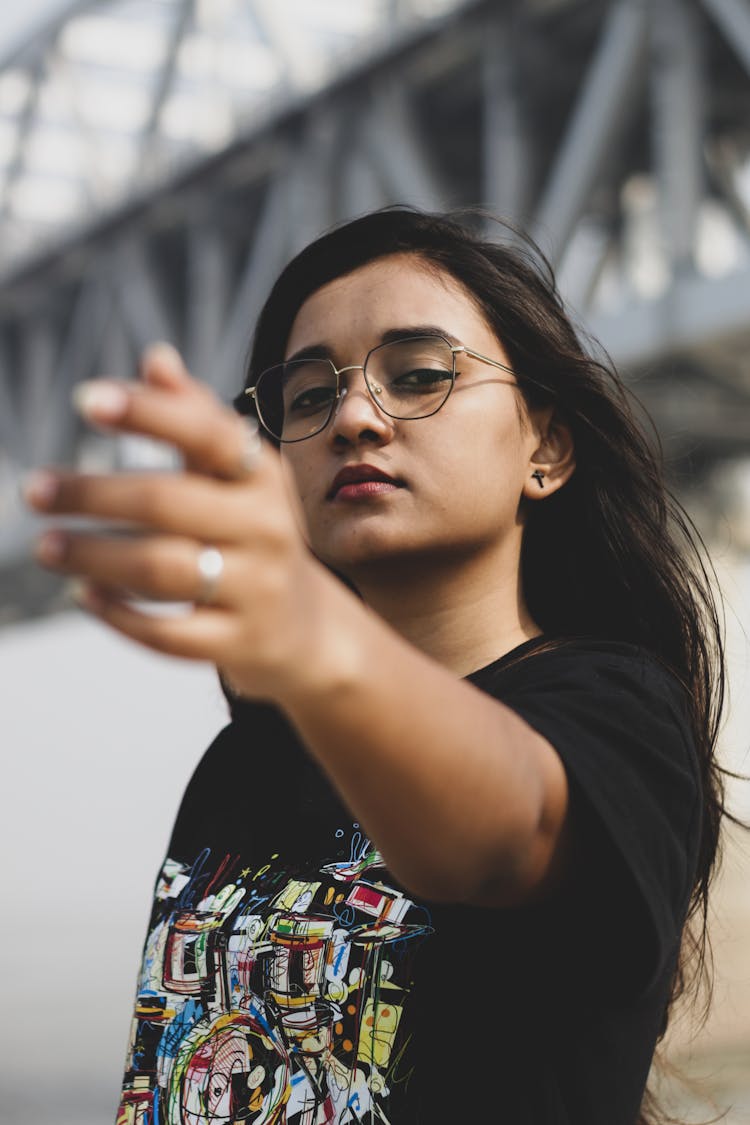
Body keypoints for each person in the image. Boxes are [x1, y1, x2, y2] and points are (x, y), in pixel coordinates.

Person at [24, 208, 726, 1125]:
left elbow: (504, 838)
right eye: (309, 397)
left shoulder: (615, 711)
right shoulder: (247, 766)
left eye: (421, 375)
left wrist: (314, 637)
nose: (355, 414)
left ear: (546, 448)